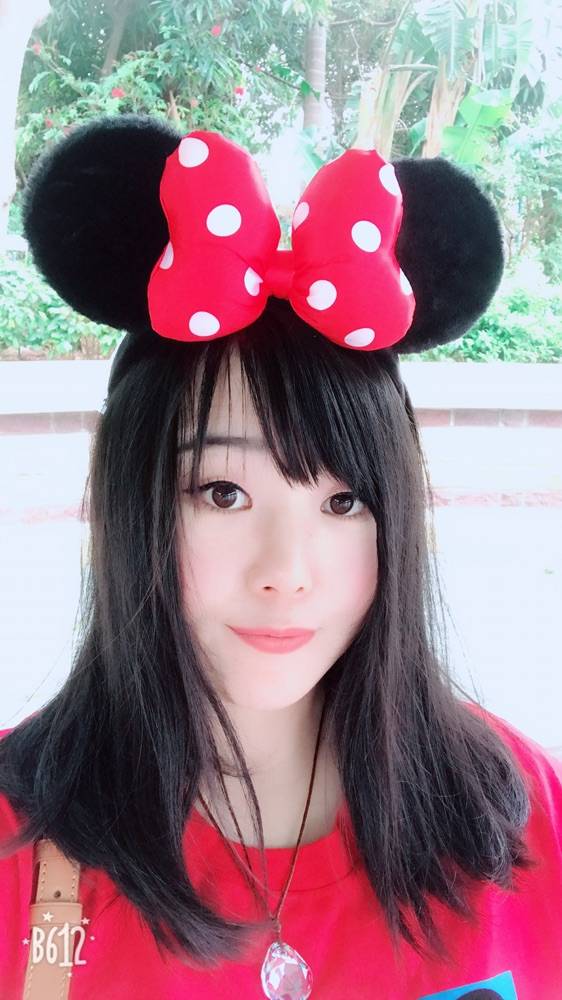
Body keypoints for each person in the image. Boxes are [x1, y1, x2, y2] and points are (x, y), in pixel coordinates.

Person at [0, 115, 561, 1000]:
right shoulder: (19, 839)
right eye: (223, 493)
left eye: (343, 501)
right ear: (129, 499)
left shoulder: (523, 813)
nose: (287, 570)